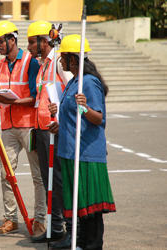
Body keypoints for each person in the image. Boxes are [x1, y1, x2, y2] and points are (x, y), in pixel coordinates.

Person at [48, 34, 116, 250]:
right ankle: (81, 244)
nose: (60, 61)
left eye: (63, 58)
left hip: (87, 153)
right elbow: (73, 117)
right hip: (70, 151)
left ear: (73, 60)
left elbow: (98, 118)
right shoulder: (73, 82)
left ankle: (93, 246)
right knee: (79, 205)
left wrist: (85, 106)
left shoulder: (89, 83)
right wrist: (59, 121)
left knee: (91, 206)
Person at [0, 21, 46, 239]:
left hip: (29, 126)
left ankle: (40, 220)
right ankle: (10, 219)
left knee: (38, 176)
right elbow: (2, 102)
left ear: (12, 39)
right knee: (6, 174)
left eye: (1, 41)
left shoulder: (31, 62)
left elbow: (35, 98)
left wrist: (10, 102)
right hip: (8, 127)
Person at [26, 21, 75, 247]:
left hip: (56, 130)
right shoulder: (43, 63)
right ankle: (55, 228)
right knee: (49, 183)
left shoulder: (58, 62)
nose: (28, 47)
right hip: (43, 130)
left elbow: (73, 91)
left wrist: (63, 122)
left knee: (58, 182)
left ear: (44, 42)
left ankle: (66, 229)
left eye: (31, 42)